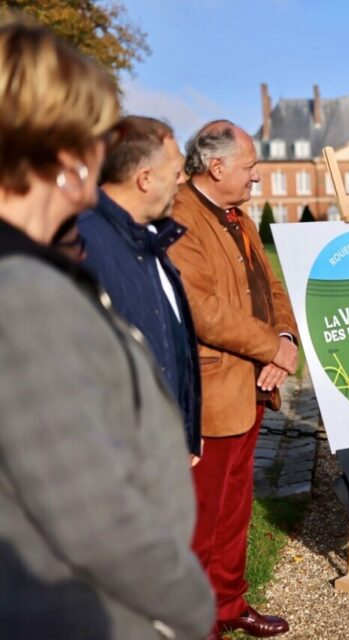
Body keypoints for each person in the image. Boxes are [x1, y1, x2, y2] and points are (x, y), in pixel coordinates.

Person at [0, 20, 214, 639]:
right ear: (68, 154)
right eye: (97, 135)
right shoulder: (23, 294)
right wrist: (188, 604)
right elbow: (89, 515)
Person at [169, 120, 298, 637]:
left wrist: (285, 338)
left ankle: (229, 604)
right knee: (202, 517)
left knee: (236, 509)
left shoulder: (239, 216)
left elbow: (271, 284)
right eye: (249, 167)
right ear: (216, 165)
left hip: (251, 385)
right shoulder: (179, 215)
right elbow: (201, 310)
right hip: (210, 391)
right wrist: (270, 346)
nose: (258, 178)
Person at [78, 116, 202, 462]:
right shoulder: (82, 244)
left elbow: (170, 346)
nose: (183, 180)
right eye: (176, 171)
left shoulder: (150, 240)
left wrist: (185, 432)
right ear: (144, 179)